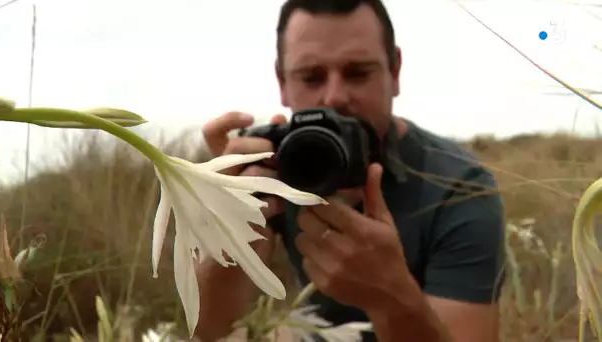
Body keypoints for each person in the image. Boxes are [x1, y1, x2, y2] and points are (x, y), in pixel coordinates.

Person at [192, 0, 505, 341]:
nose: (335, 97)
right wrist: (224, 233)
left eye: (358, 73)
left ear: (394, 71)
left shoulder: (458, 185)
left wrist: (390, 298)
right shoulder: (272, 167)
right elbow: (209, 332)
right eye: (311, 77)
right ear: (282, 83)